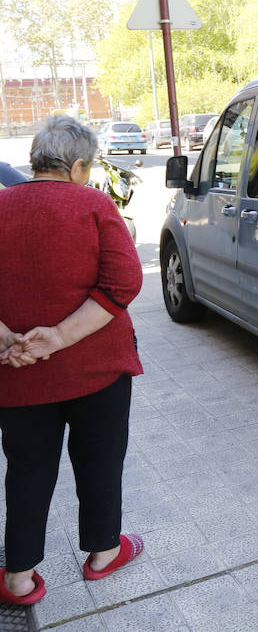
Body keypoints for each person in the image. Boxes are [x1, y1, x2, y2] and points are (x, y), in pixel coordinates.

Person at [0, 116, 144, 605]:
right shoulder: (94, 204)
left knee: (27, 470)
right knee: (100, 461)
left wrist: (8, 340)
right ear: (78, 165)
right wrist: (59, 336)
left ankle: (18, 578)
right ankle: (104, 553)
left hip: (16, 375)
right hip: (96, 371)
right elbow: (124, 283)